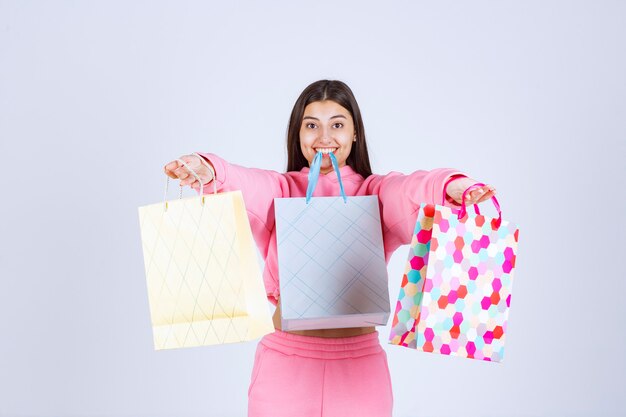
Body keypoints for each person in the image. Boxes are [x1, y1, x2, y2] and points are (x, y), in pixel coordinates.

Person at [164, 80, 496, 417]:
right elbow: (241, 181)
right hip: (284, 366)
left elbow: (411, 190)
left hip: (360, 372)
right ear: (298, 134)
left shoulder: (375, 193)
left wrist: (450, 185)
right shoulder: (280, 190)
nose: (324, 137)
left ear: (355, 134)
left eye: (337, 124)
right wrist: (209, 170)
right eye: (312, 125)